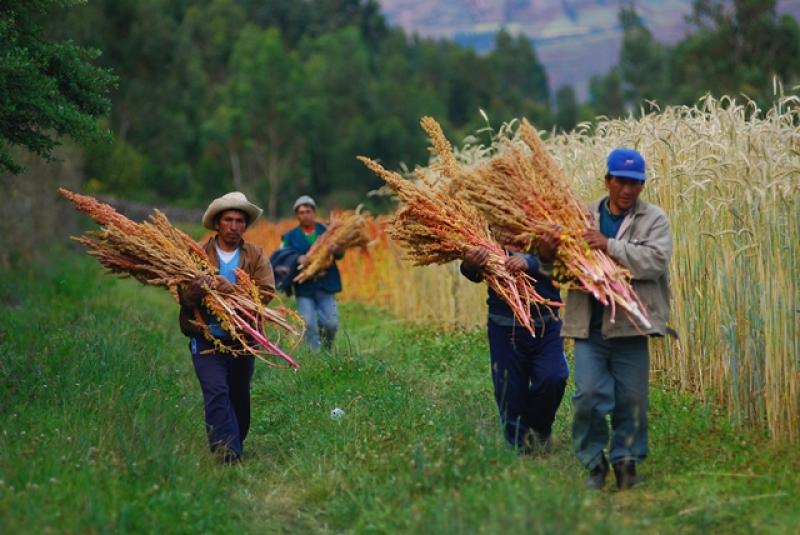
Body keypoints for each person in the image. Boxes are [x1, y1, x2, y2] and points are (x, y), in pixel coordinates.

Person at [556, 148, 672, 490]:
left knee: (632, 401)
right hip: (589, 326)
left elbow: (655, 262)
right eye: (621, 181)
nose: (627, 189)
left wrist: (609, 246)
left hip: (631, 325)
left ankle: (626, 462)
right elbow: (558, 265)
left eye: (635, 183)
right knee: (588, 396)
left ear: (642, 184)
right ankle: (595, 463)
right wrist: (551, 251)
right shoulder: (582, 216)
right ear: (608, 180)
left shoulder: (654, 219)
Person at [177, 191, 275, 463]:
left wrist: (232, 290)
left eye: (240, 221)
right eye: (228, 220)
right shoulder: (196, 254)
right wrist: (199, 288)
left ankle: (235, 439)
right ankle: (227, 451)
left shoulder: (255, 255)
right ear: (217, 223)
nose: (234, 226)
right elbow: (183, 297)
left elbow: (266, 292)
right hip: (206, 336)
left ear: (245, 225)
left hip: (242, 338)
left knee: (238, 395)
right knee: (215, 391)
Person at [460, 236, 568, 454]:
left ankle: (539, 431)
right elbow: (473, 272)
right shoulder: (484, 230)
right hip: (504, 327)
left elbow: (565, 268)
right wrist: (470, 265)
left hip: (546, 323)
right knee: (509, 390)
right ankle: (520, 450)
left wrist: (530, 262)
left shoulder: (543, 223)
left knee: (554, 376)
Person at [280, 195, 343, 351]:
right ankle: (316, 356)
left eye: (308, 211)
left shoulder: (328, 231)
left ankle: (327, 348)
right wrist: (297, 258)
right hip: (304, 287)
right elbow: (282, 256)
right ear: (297, 216)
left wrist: (337, 250)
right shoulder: (289, 237)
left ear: (314, 212)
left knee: (331, 323)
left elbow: (341, 254)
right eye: (301, 212)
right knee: (308, 323)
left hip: (326, 284)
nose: (305, 215)